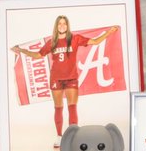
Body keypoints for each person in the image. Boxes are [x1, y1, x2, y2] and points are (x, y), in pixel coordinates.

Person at [11, 16, 118, 145]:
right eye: (60, 24)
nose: (62, 26)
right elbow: (38, 55)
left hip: (71, 78)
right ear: (56, 26)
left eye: (64, 24)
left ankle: (72, 136)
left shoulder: (75, 38)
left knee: (72, 107)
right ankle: (59, 136)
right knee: (58, 108)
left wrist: (109, 32)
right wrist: (22, 50)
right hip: (56, 79)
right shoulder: (52, 42)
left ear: (67, 26)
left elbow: (95, 42)